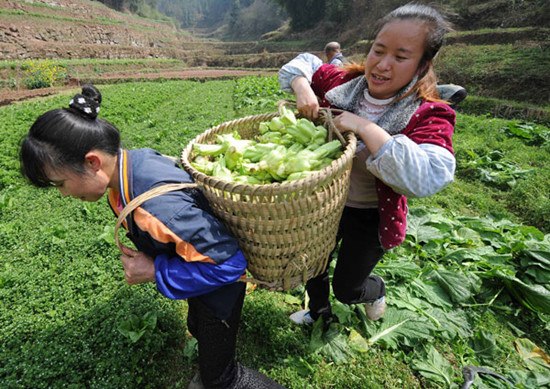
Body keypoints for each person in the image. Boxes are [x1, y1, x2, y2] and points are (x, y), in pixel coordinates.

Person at [19, 84, 285, 389]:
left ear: (93, 162)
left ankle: (225, 377)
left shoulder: (155, 207)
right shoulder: (129, 165)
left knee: (220, 375)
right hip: (199, 275)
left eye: (60, 183)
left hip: (220, 291)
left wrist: (155, 270)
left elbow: (230, 265)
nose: (64, 193)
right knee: (198, 326)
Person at [278, 4, 458, 325]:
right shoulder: (345, 83)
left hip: (372, 216)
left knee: (347, 286)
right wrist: (302, 87)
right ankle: (319, 314)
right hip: (326, 203)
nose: (382, 65)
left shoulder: (428, 114)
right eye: (379, 50)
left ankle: (374, 291)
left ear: (422, 64)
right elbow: (305, 62)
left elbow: (429, 176)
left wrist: (364, 127)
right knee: (313, 264)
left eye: (400, 57)